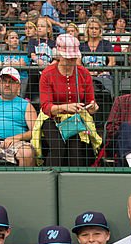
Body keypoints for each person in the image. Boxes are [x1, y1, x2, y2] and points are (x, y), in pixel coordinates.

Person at [36, 34, 101, 167]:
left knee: (76, 148)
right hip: (51, 118)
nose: (71, 61)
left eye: (73, 58)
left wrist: (93, 107)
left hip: (76, 118)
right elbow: (46, 107)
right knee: (58, 147)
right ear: (59, 55)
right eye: (67, 58)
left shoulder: (84, 73)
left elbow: (90, 101)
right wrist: (64, 107)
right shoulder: (47, 74)